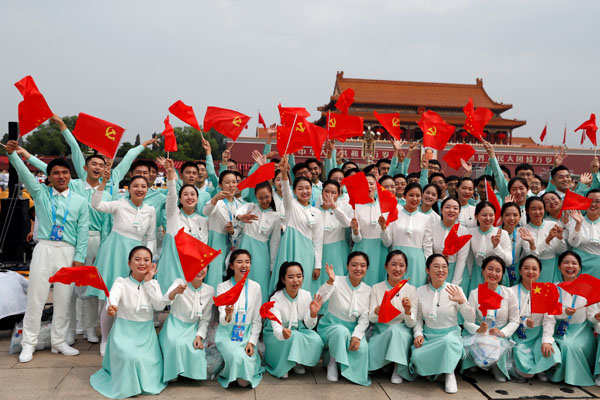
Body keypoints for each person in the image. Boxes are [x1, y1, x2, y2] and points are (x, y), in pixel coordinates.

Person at [6, 140, 89, 363]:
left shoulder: (80, 201)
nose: (61, 176)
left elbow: (82, 231)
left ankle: (59, 341)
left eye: (64, 173)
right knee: (36, 296)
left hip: (67, 251)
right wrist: (14, 156)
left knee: (64, 298)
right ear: (49, 177)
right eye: (56, 173)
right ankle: (29, 343)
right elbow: (25, 175)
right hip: (44, 248)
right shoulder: (41, 194)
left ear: (70, 176)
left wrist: (79, 259)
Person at [88, 170, 156, 356]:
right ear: (129, 189)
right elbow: (97, 204)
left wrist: (151, 259)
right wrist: (102, 184)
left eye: (143, 186)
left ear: (148, 189)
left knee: (131, 299)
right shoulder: (119, 204)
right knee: (109, 297)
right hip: (115, 252)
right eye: (135, 186)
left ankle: (126, 337)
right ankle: (105, 339)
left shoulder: (150, 210)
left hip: (138, 255)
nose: (139, 189)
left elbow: (150, 237)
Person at [90, 246, 167, 398]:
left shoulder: (153, 284)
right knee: (129, 358)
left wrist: (149, 281)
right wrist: (111, 306)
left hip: (146, 336)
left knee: (145, 362)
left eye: (146, 260)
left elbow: (160, 305)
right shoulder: (121, 282)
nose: (142, 263)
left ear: (152, 264)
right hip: (123, 333)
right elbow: (113, 296)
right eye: (137, 259)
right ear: (129, 263)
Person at [410, 254, 473, 394]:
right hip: (429, 336)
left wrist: (461, 302)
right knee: (416, 356)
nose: (441, 270)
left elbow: (470, 317)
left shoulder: (455, 289)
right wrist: (418, 334)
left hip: (450, 335)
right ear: (427, 270)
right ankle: (437, 369)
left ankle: (449, 373)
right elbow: (418, 319)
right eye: (436, 267)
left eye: (444, 267)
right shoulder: (420, 291)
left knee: (447, 343)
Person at [317, 252, 371, 386]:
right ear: (347, 266)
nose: (358, 268)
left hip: (353, 328)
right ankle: (333, 362)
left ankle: (349, 372)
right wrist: (329, 282)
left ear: (367, 268)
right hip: (331, 325)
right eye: (354, 265)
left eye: (362, 265)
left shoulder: (368, 289)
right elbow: (320, 298)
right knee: (340, 332)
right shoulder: (336, 281)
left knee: (362, 348)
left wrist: (357, 336)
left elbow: (365, 317)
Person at [271, 157, 323, 295]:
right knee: (287, 281)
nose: (304, 191)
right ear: (294, 191)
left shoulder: (317, 212)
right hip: (291, 249)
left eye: (307, 188)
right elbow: (286, 192)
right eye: (300, 189)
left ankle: (303, 314)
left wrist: (317, 265)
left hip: (308, 253)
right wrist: (283, 174)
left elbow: (318, 241)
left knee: (304, 285)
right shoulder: (291, 205)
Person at [263, 262, 325, 379]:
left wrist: (313, 313)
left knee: (316, 339)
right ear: (283, 279)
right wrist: (282, 333)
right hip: (277, 335)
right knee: (293, 337)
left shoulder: (306, 295)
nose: (295, 280)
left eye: (299, 276)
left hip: (299, 331)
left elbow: (309, 325)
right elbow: (276, 327)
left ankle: (296, 362)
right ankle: (284, 365)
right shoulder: (275, 298)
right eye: (290, 277)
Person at [463, 256, 519, 382]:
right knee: (479, 342)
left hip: (499, 334)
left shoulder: (509, 293)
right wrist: (479, 329)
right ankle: (477, 364)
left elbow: (515, 320)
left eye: (498, 271)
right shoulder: (474, 293)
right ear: (483, 271)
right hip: (480, 333)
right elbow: (467, 321)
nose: (493, 273)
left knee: (497, 344)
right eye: (490, 269)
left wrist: (502, 332)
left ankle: (496, 367)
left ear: (503, 274)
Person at [155, 159, 208, 293]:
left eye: (192, 194)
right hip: (171, 266)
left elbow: (203, 246)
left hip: (190, 269)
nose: (189, 197)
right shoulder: (174, 216)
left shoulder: (202, 220)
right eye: (185, 194)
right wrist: (171, 175)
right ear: (180, 199)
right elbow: (171, 197)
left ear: (197, 198)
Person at [546, 251, 596, 386]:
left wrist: (596, 317)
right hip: (558, 329)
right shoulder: (553, 288)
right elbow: (549, 315)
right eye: (566, 262)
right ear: (559, 266)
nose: (570, 266)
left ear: (579, 268)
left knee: (570, 345)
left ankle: (571, 377)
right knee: (559, 344)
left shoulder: (588, 288)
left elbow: (591, 317)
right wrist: (563, 312)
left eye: (574, 263)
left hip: (581, 331)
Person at [215, 249, 263, 388]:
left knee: (244, 382)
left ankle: (245, 365)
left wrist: (252, 342)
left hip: (246, 333)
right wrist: (228, 315)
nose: (244, 265)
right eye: (239, 262)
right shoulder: (222, 287)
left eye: (247, 262)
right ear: (231, 266)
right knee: (236, 357)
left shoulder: (255, 287)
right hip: (227, 333)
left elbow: (257, 319)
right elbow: (222, 319)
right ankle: (228, 369)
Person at [509, 255, 561, 381]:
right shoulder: (511, 291)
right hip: (519, 336)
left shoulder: (545, 291)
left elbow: (550, 320)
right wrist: (524, 322)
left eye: (534, 269)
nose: (530, 272)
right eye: (526, 268)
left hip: (538, 335)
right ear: (520, 271)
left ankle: (541, 369)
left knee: (551, 353)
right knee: (526, 373)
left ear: (539, 272)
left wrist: (546, 341)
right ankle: (533, 370)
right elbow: (508, 317)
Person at [368, 250, 417, 383]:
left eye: (401, 265)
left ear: (406, 269)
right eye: (393, 264)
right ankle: (385, 363)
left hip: (402, 331)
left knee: (396, 331)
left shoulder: (411, 290)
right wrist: (377, 311)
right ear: (386, 266)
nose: (397, 269)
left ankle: (397, 368)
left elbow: (412, 323)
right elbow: (371, 318)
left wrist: (408, 311)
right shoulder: (377, 288)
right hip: (380, 331)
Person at [159, 268, 214, 383]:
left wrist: (199, 336)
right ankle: (173, 372)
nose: (199, 270)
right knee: (176, 344)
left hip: (192, 328)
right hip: (174, 325)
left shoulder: (209, 290)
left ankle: (187, 373)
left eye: (203, 266)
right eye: (196, 266)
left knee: (196, 351)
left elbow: (205, 319)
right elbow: (164, 302)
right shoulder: (179, 282)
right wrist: (175, 292)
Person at [235, 181, 281, 302]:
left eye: (267, 197)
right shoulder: (251, 207)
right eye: (260, 198)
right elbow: (238, 212)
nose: (264, 200)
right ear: (256, 197)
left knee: (260, 283)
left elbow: (274, 243)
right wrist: (240, 217)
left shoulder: (276, 216)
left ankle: (259, 315)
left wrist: (271, 266)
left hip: (262, 254)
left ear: (272, 195)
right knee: (242, 278)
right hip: (245, 247)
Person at [382, 183, 432, 286]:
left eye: (418, 196)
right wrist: (383, 229)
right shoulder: (394, 214)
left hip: (417, 262)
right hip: (396, 260)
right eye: (411, 195)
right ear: (404, 196)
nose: (415, 198)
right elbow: (387, 242)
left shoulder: (426, 218)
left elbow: (427, 246)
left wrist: (429, 267)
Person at [203, 170, 244, 288]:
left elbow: (241, 229)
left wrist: (232, 231)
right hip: (217, 242)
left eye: (234, 182)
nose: (231, 185)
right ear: (220, 185)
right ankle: (213, 302)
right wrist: (214, 200)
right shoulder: (217, 202)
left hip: (233, 245)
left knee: (230, 277)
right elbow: (206, 211)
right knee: (215, 276)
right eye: (227, 182)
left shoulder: (240, 205)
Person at [351, 174, 388, 286]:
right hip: (362, 248)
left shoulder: (384, 205)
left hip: (380, 250)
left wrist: (383, 228)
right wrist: (356, 230)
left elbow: (388, 242)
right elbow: (356, 239)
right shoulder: (356, 206)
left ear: (376, 186)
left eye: (371, 184)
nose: (368, 186)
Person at [425, 197, 470, 290]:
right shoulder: (433, 227)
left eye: (455, 208)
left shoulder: (464, 231)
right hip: (436, 270)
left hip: (455, 272)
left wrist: (455, 284)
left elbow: (462, 260)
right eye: (447, 207)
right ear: (441, 209)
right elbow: (428, 250)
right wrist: (430, 273)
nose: (451, 210)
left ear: (459, 212)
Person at [519, 197, 566, 282]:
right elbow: (532, 255)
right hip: (533, 270)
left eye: (540, 209)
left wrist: (560, 238)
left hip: (553, 268)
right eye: (533, 209)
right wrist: (547, 240)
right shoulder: (524, 230)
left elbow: (561, 251)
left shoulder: (553, 225)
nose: (537, 212)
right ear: (527, 210)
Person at [468, 201, 512, 293]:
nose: (488, 218)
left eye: (491, 215)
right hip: (477, 277)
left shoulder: (502, 234)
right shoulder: (470, 233)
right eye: (484, 215)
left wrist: (496, 247)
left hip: (496, 277)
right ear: (476, 216)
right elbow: (469, 259)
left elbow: (508, 261)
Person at [315, 180, 351, 288]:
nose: (329, 195)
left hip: (338, 251)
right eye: (326, 191)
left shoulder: (342, 209)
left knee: (338, 281)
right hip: (319, 252)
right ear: (322, 193)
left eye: (334, 192)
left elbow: (347, 223)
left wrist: (334, 207)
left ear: (339, 194)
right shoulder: (315, 210)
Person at [567, 189, 600, 278]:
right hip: (578, 265)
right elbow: (573, 243)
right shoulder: (576, 219)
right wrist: (578, 224)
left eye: (597, 201)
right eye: (590, 201)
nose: (593, 204)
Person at [501, 202, 523, 286]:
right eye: (507, 215)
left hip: (516, 270)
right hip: (499, 271)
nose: (511, 218)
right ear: (502, 217)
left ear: (520, 217)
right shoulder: (496, 233)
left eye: (515, 215)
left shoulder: (522, 232)